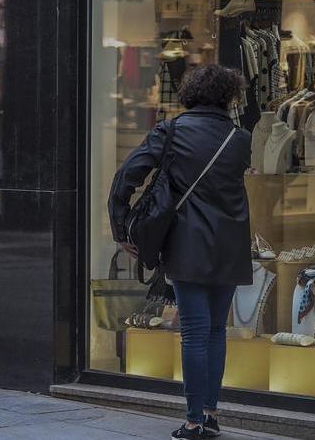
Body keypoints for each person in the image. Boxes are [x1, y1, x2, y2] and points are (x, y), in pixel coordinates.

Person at [108, 64, 253, 439]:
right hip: (231, 243)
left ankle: (193, 421)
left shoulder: (171, 131)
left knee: (193, 331)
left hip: (188, 242)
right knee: (217, 330)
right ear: (228, 96)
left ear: (190, 93)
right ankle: (210, 412)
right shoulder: (240, 138)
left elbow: (128, 175)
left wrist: (121, 224)